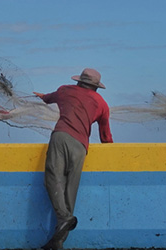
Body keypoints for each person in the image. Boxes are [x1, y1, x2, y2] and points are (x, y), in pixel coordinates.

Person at [34, 68, 113, 250]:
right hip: (80, 147)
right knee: (70, 191)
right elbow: (105, 136)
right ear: (96, 87)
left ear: (79, 81)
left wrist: (43, 96)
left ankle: (64, 218)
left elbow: (49, 98)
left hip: (61, 137)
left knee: (52, 179)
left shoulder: (65, 90)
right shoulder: (102, 104)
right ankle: (58, 241)